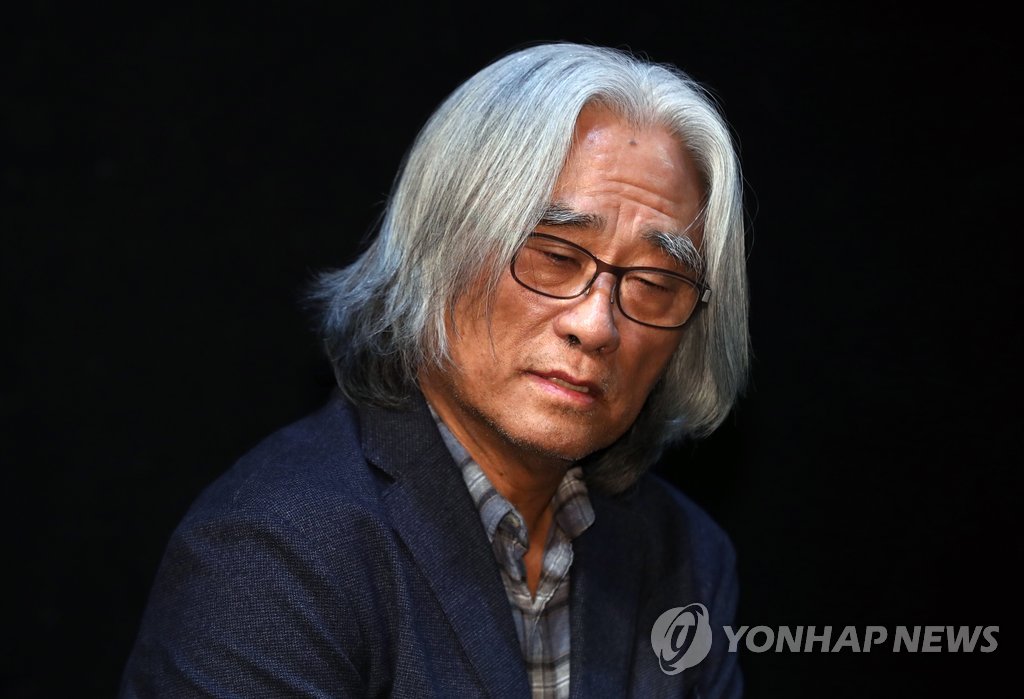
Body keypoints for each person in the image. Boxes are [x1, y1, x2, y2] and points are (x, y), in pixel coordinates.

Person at [120, 41, 749, 698]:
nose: (595, 325)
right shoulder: (273, 551)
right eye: (556, 255)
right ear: (439, 243)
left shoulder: (684, 558)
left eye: (654, 282)